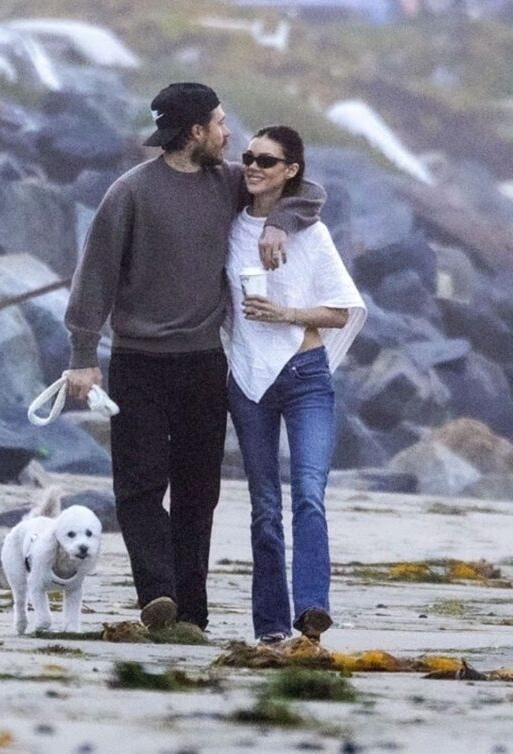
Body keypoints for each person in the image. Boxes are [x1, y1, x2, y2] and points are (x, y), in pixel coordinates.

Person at [63, 83, 326, 632]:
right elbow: (95, 276)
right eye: (221, 124)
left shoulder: (227, 182)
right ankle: (158, 594)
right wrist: (83, 353)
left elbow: (308, 191)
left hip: (203, 364)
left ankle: (192, 614)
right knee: (138, 488)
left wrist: (278, 223)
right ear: (196, 131)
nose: (229, 136)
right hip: (137, 362)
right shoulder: (130, 192)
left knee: (198, 493)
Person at [226, 125, 367, 645]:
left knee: (309, 494)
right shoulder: (229, 226)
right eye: (248, 157)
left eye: (267, 160)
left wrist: (285, 313)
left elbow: (341, 310)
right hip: (248, 379)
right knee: (264, 506)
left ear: (290, 170)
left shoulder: (312, 233)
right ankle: (269, 626)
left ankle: (311, 610)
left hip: (306, 375)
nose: (253, 166)